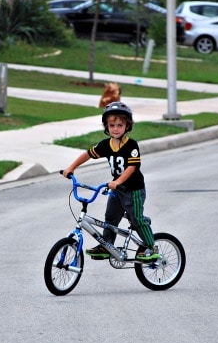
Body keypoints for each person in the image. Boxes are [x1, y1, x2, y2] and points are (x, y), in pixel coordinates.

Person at [62, 101, 159, 261]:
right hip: (117, 189)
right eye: (112, 125)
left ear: (127, 126)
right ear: (106, 126)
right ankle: (107, 244)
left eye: (120, 125)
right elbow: (88, 154)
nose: (115, 128)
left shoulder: (131, 145)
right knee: (110, 217)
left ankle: (150, 246)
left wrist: (118, 181)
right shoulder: (106, 145)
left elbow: (131, 168)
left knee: (137, 219)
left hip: (133, 190)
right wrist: (71, 168)